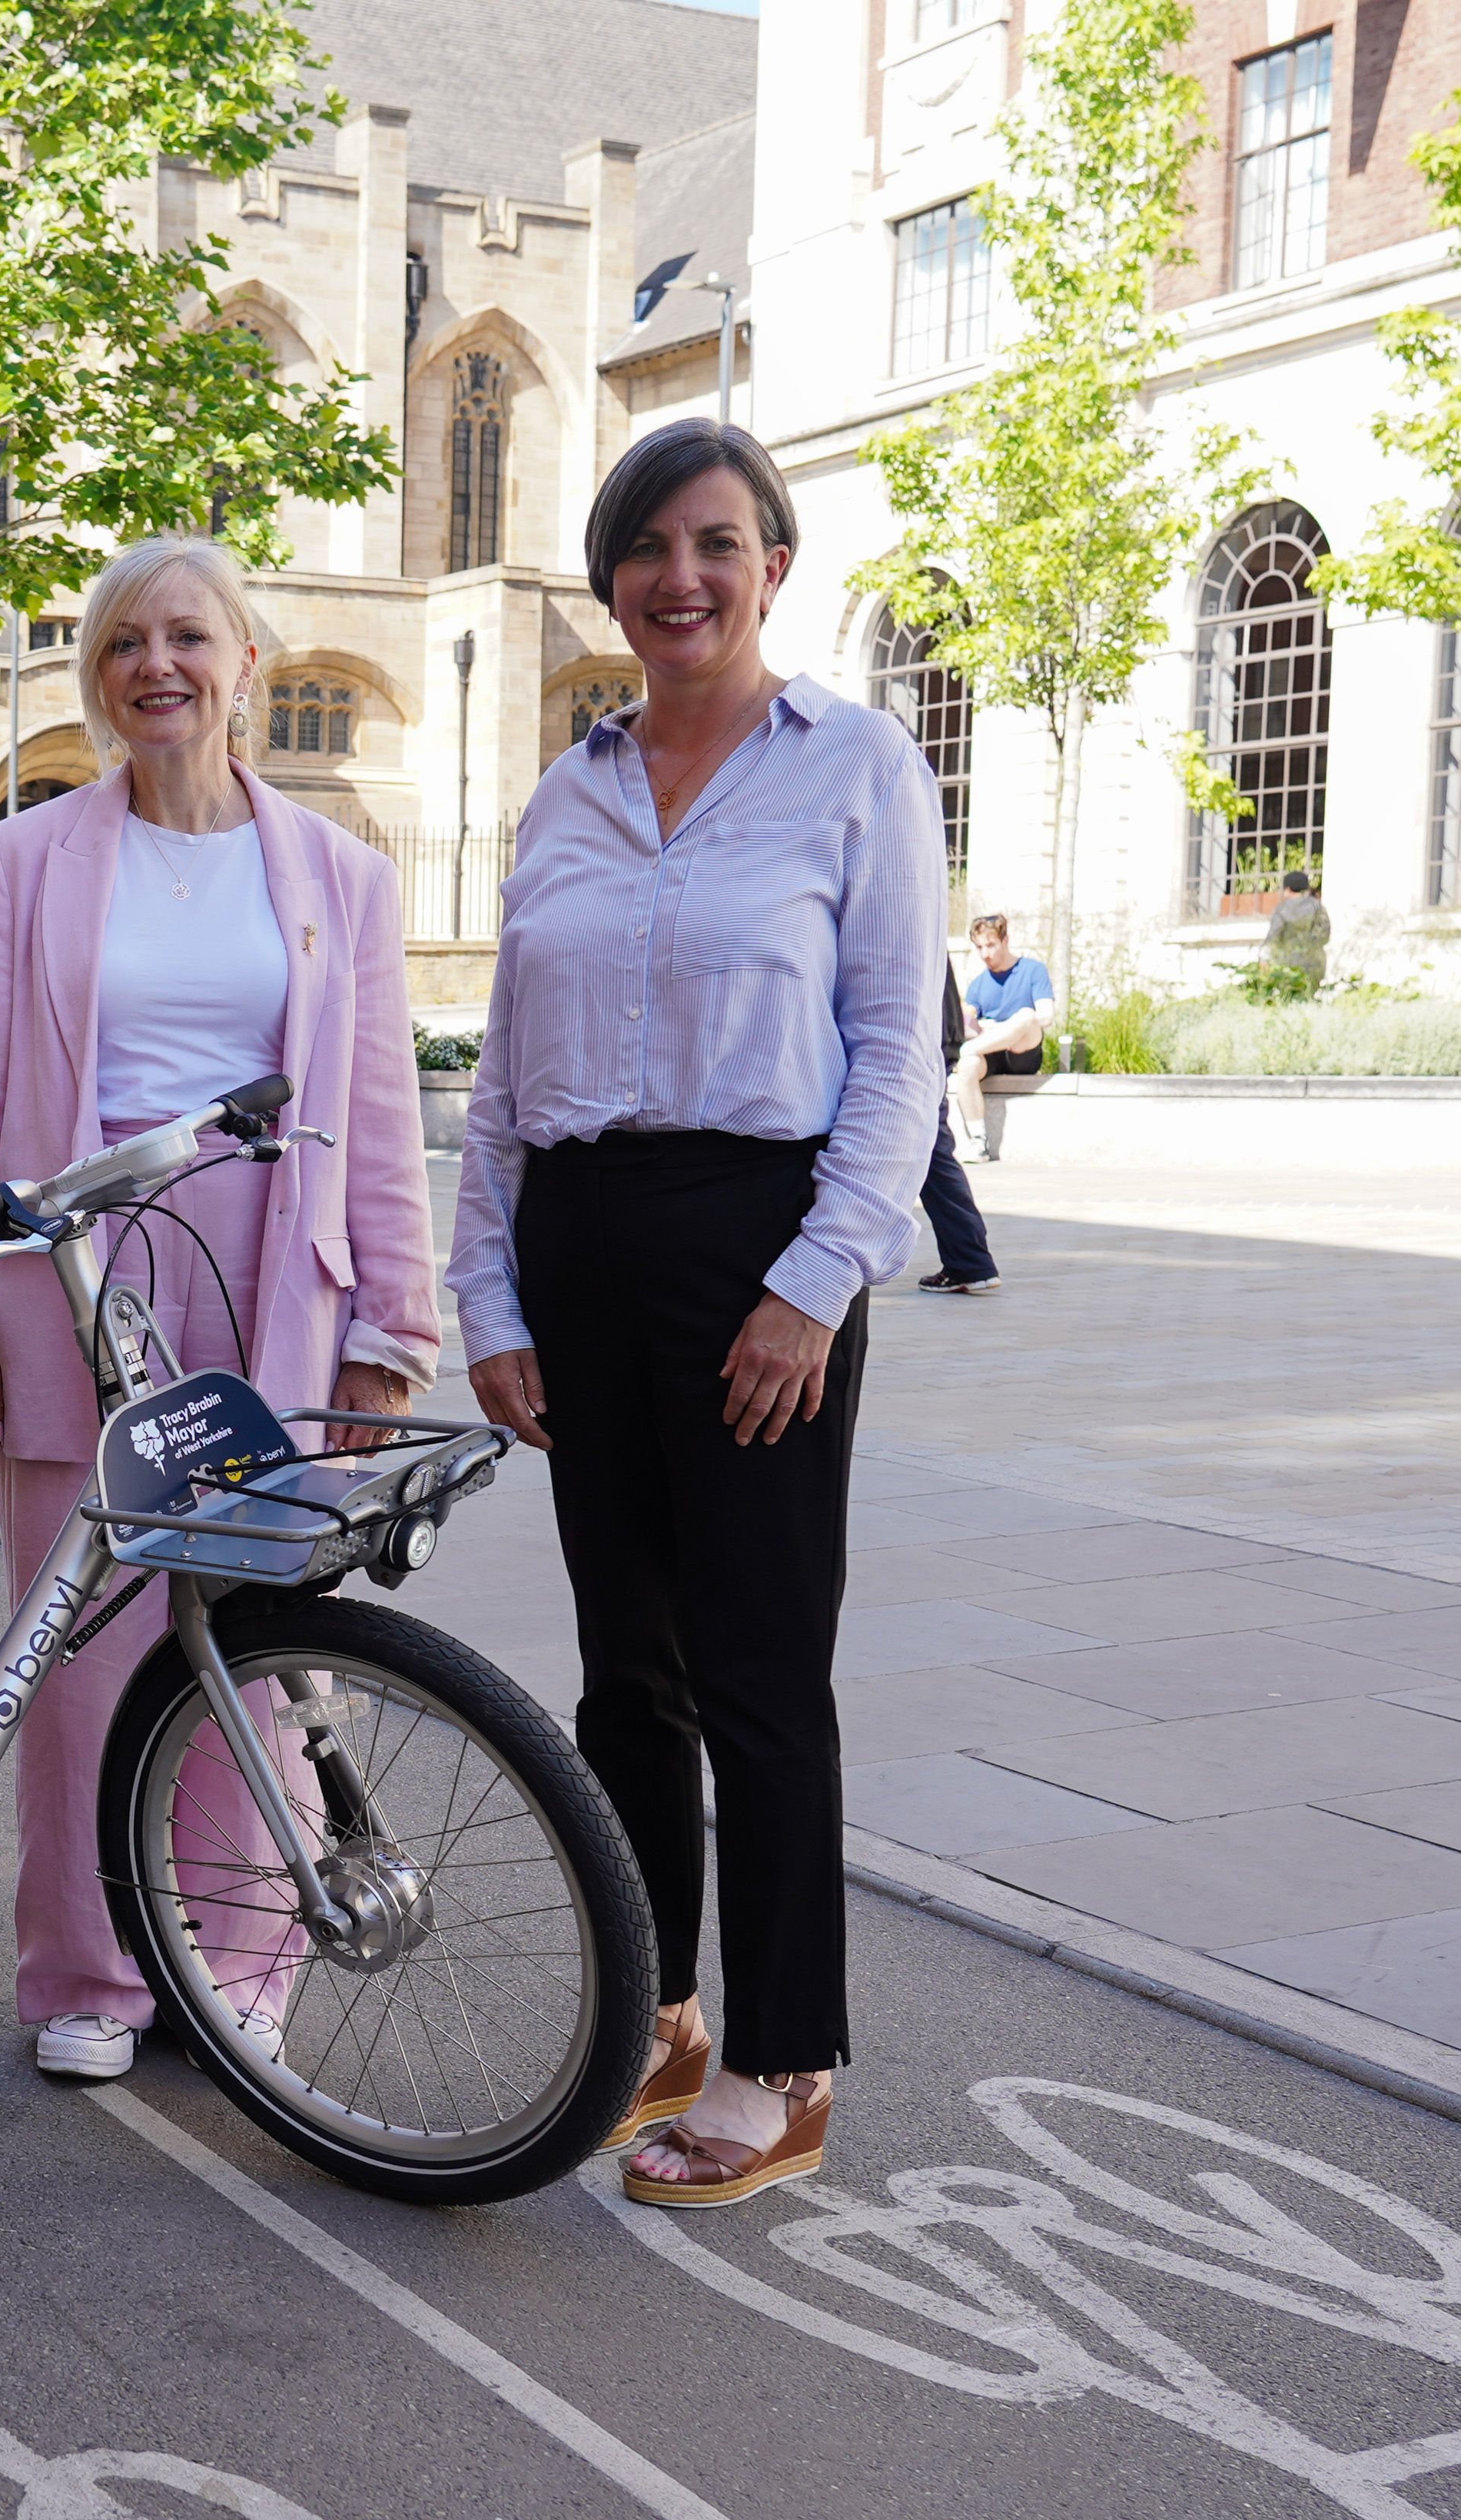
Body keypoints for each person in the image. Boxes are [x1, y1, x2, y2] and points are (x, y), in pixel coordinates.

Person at [450, 419, 941, 2210]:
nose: (681, 577)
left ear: (772, 568)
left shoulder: (854, 765)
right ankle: (651, 2009)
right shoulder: (565, 791)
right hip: (581, 1240)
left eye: (716, 543)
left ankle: (780, 2056)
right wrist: (486, 1288)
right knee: (621, 1667)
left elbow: (897, 1048)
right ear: (609, 580)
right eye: (648, 547)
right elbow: (503, 1072)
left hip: (759, 1243)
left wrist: (816, 1280)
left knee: (752, 1666)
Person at [0, 536, 440, 2081]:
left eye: (189, 636)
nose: (157, 664)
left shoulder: (341, 877)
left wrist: (392, 1328)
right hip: (76, 1276)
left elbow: (382, 1114)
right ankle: (88, 1970)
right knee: (78, 1647)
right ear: (96, 678)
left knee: (262, 1651)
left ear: (247, 667)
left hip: (276, 1280)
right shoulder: (27, 860)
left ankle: (243, 1961)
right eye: (124, 642)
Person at [914, 962, 998, 1298]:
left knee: (935, 1161)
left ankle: (971, 1262)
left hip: (917, 1051)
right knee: (937, 1161)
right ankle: (971, 1262)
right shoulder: (925, 912)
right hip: (931, 1047)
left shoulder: (905, 912)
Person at [950, 912, 1054, 1158]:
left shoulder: (1033, 970)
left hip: (1023, 1050)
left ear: (1005, 940)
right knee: (967, 1066)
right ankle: (979, 1142)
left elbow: (1046, 1017)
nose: (986, 954)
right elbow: (967, 1019)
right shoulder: (978, 984)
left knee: (1026, 1015)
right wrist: (973, 1026)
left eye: (991, 945)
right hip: (990, 1052)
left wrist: (1003, 1028)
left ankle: (967, 1051)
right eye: (980, 948)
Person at [1262, 869, 1332, 1000]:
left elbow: (1274, 937)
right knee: (1308, 997)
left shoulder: (1282, 909)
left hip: (1287, 963)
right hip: (1314, 963)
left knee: (1288, 998)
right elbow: (1325, 934)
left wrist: (1264, 958)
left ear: (1287, 889)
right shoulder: (1318, 907)